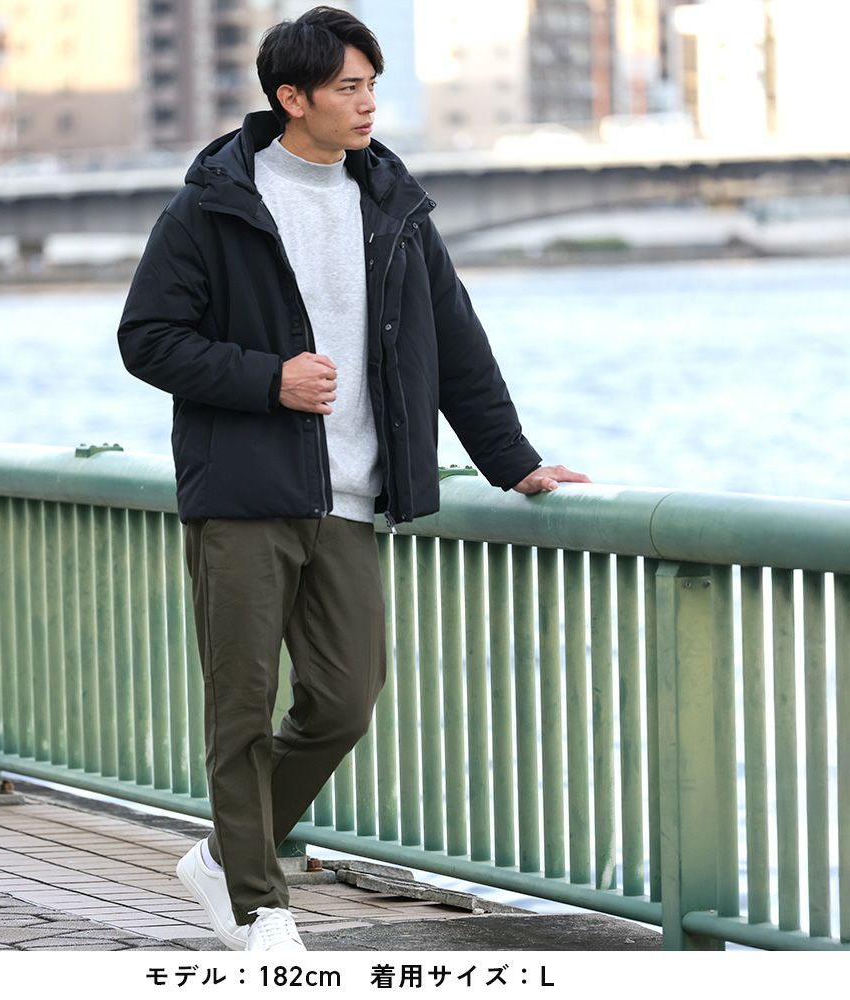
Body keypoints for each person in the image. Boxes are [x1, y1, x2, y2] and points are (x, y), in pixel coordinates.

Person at [117, 5, 589, 953]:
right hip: (245, 495)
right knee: (240, 709)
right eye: (349, 87)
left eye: (372, 84)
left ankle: (222, 855)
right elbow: (147, 339)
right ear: (292, 98)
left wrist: (514, 460)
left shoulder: (393, 206)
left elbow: (456, 344)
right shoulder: (213, 203)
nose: (369, 103)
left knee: (343, 700)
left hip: (351, 498)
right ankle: (260, 909)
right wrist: (269, 379)